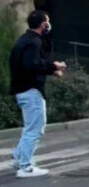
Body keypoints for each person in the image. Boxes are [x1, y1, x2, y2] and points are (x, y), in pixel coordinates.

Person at [8, 10, 66, 178]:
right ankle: (25, 167)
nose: (49, 24)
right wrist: (54, 67)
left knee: (30, 127)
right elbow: (32, 65)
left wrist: (51, 69)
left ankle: (19, 157)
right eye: (47, 21)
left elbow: (28, 64)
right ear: (43, 25)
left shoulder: (24, 40)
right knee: (35, 129)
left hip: (22, 89)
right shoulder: (34, 42)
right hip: (31, 90)